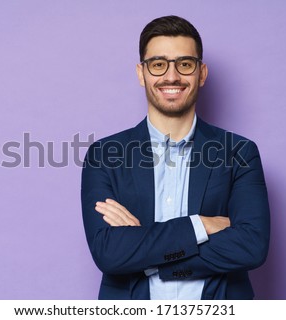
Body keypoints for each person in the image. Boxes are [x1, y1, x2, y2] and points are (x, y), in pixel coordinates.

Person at [81, 15, 270, 300]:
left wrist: (146, 251)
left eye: (185, 64)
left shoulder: (240, 153)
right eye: (158, 64)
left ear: (201, 73)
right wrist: (201, 225)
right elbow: (109, 254)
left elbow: (251, 247)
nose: (171, 76)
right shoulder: (104, 155)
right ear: (141, 73)